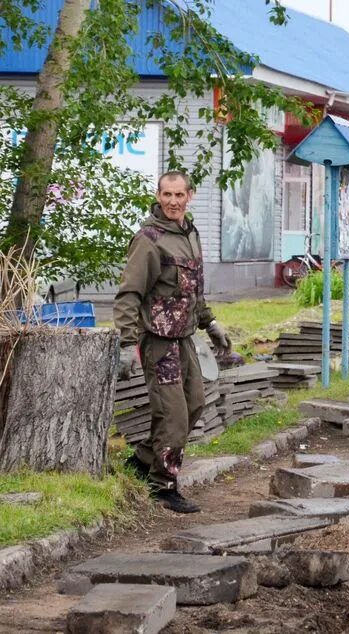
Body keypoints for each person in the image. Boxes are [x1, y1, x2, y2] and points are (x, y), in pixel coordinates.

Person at [114, 171, 233, 513]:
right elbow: (128, 295)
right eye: (166, 194)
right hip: (158, 341)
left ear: (189, 196)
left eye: (179, 195)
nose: (172, 201)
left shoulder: (189, 233)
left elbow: (193, 288)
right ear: (158, 194)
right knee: (174, 416)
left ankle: (142, 460)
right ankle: (162, 485)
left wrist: (210, 322)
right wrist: (126, 344)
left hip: (184, 338)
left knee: (194, 404)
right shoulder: (149, 240)